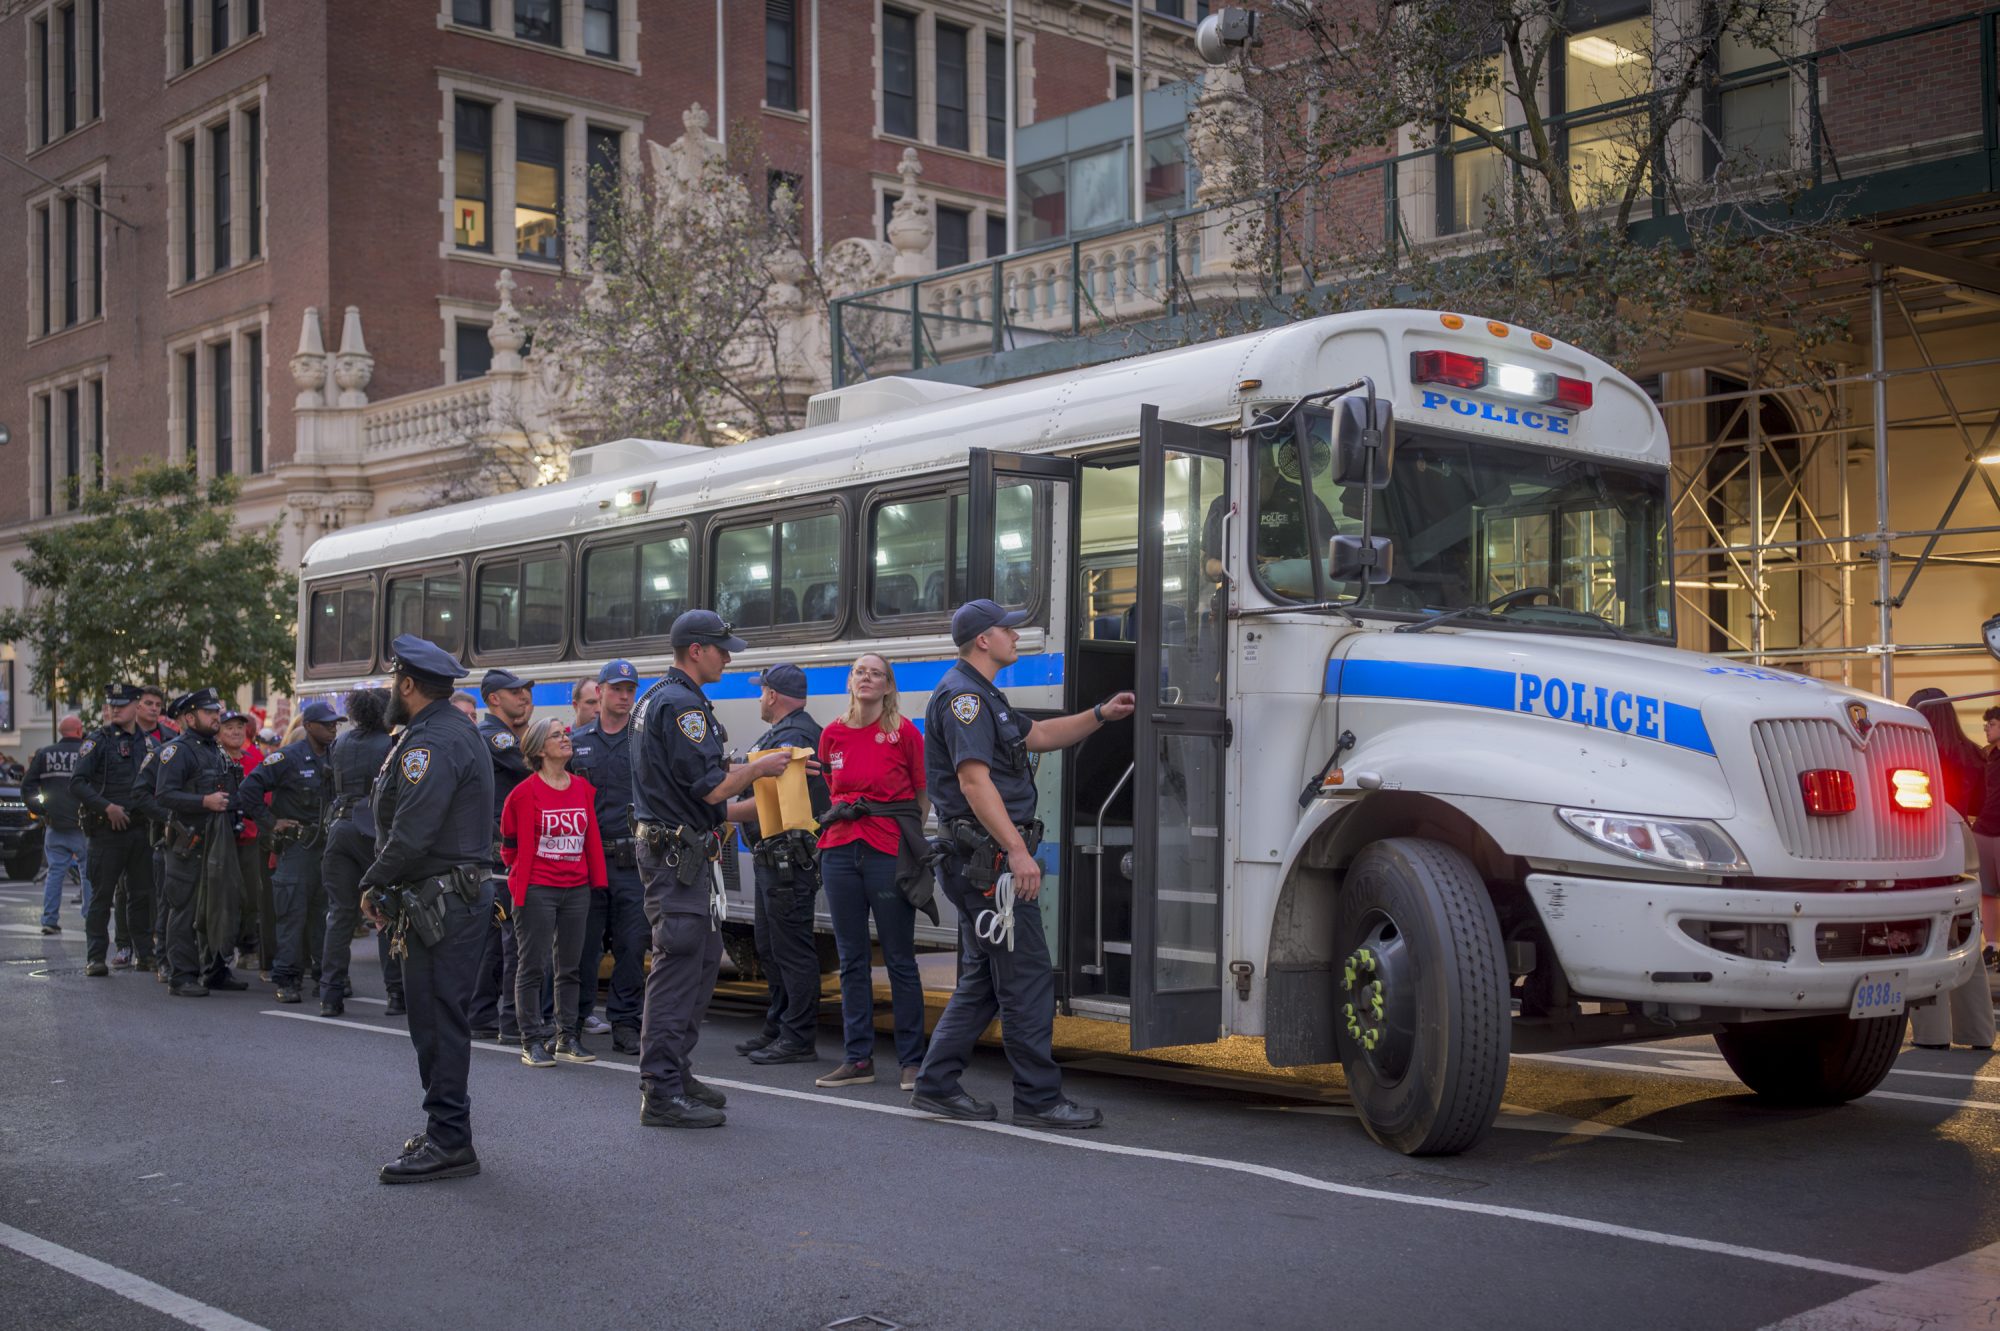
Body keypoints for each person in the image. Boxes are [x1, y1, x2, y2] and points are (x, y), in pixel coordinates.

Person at [912, 600, 1134, 1129]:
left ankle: (936, 1084)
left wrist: (1100, 715)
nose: (1018, 635)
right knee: (1029, 976)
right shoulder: (965, 698)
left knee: (986, 981)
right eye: (1008, 629)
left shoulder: (984, 694)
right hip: (988, 866)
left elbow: (1039, 737)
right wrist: (1016, 850)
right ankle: (1037, 1099)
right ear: (983, 640)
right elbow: (973, 781)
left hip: (979, 862)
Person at [631, 610, 794, 1128]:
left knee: (701, 960)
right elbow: (712, 789)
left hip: (686, 852)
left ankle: (675, 1071)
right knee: (679, 964)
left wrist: (774, 782)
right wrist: (760, 767)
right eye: (722, 649)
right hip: (675, 859)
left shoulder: (664, 698)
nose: (728, 656)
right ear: (696, 650)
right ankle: (659, 1089)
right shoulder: (681, 704)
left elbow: (714, 802)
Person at [360, 635, 495, 1184]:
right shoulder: (442, 731)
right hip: (446, 896)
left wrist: (370, 884)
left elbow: (413, 831)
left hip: (442, 899)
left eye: (395, 681)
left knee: (437, 1023)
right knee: (437, 1019)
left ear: (408, 685)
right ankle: (446, 1131)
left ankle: (449, 1141)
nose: (393, 690)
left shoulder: (430, 742)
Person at [812, 654, 929, 1089]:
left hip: (887, 852)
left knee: (900, 959)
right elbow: (834, 790)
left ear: (888, 686)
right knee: (851, 959)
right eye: (859, 671)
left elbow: (921, 796)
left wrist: (907, 843)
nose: (866, 677)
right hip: (840, 851)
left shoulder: (903, 734)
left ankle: (912, 1061)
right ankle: (858, 1058)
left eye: (875, 673)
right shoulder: (832, 735)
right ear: (849, 682)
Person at [726, 663, 832, 1070]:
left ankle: (798, 1037)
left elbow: (774, 799)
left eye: (761, 692)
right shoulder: (785, 732)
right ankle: (779, 1026)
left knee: (791, 951)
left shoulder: (795, 736)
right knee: (771, 947)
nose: (758, 698)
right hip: (775, 858)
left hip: (789, 860)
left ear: (771, 695)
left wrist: (721, 811)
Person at [502, 716, 607, 1067]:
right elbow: (509, 847)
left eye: (565, 734)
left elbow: (591, 840)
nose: (566, 739)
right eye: (557, 735)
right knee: (533, 966)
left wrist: (597, 882)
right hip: (537, 890)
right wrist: (527, 881)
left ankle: (567, 1038)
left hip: (576, 888)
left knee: (571, 967)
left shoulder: (582, 788)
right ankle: (530, 1039)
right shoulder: (522, 794)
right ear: (538, 749)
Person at [236, 701, 341, 1005]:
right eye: (327, 724)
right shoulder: (288, 757)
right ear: (308, 726)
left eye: (335, 724)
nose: (333, 729)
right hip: (296, 848)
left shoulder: (337, 755)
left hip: (326, 847)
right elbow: (248, 790)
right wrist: (270, 823)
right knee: (292, 916)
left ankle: (326, 976)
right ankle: (287, 979)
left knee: (325, 915)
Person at [1910, 690, 1998, 1051]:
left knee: (1920, 939)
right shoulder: (1973, 753)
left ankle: (1932, 1034)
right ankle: (1977, 1032)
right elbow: (1980, 801)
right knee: (1966, 939)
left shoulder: (1910, 752)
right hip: (1961, 846)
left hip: (1919, 847)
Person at [567, 659, 647, 1051]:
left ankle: (626, 1023)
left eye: (630, 690)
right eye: (616, 688)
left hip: (632, 861)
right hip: (587, 859)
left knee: (632, 946)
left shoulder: (645, 741)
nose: (624, 696)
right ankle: (577, 1017)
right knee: (583, 946)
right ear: (598, 692)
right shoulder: (576, 741)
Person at [155, 689, 249, 997]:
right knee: (184, 908)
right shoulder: (177, 750)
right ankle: (181, 976)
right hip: (189, 842)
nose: (216, 717)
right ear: (189, 717)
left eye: (217, 712)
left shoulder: (215, 750)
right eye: (210, 713)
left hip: (218, 840)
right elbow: (164, 795)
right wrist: (203, 801)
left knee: (218, 906)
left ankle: (215, 970)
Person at [321, 688, 403, 1018]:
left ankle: (330, 994)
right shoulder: (390, 744)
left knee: (340, 914)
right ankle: (396, 994)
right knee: (385, 911)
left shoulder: (340, 743)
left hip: (338, 829)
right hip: (373, 831)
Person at [72, 684, 157, 979]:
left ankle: (145, 954)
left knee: (142, 895)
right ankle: (96, 957)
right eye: (112, 704)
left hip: (139, 829)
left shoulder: (148, 744)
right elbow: (77, 783)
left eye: (122, 704)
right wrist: (106, 807)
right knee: (102, 897)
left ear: (136, 706)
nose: (116, 709)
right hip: (107, 833)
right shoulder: (97, 742)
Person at [470, 667, 536, 1043]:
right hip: (501, 854)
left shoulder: (502, 735)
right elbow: (532, 767)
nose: (523, 697)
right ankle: (504, 1019)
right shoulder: (495, 737)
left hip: (498, 851)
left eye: (525, 691)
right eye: (515, 692)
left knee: (496, 938)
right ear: (494, 698)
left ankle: (482, 1013)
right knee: (510, 938)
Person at [24, 715, 92, 936]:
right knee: (88, 873)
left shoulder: (45, 753)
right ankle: (90, 918)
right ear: (79, 729)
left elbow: (28, 787)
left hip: (55, 825)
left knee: (55, 873)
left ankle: (50, 920)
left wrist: (42, 810)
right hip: (84, 825)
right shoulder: (87, 751)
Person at [218, 711, 274, 977]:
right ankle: (221, 952)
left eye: (240, 727)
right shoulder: (213, 759)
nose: (236, 732)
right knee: (223, 897)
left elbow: (268, 795)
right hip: (221, 838)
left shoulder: (256, 758)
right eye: (229, 727)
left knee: (252, 895)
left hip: (251, 836)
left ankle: (249, 946)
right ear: (218, 732)